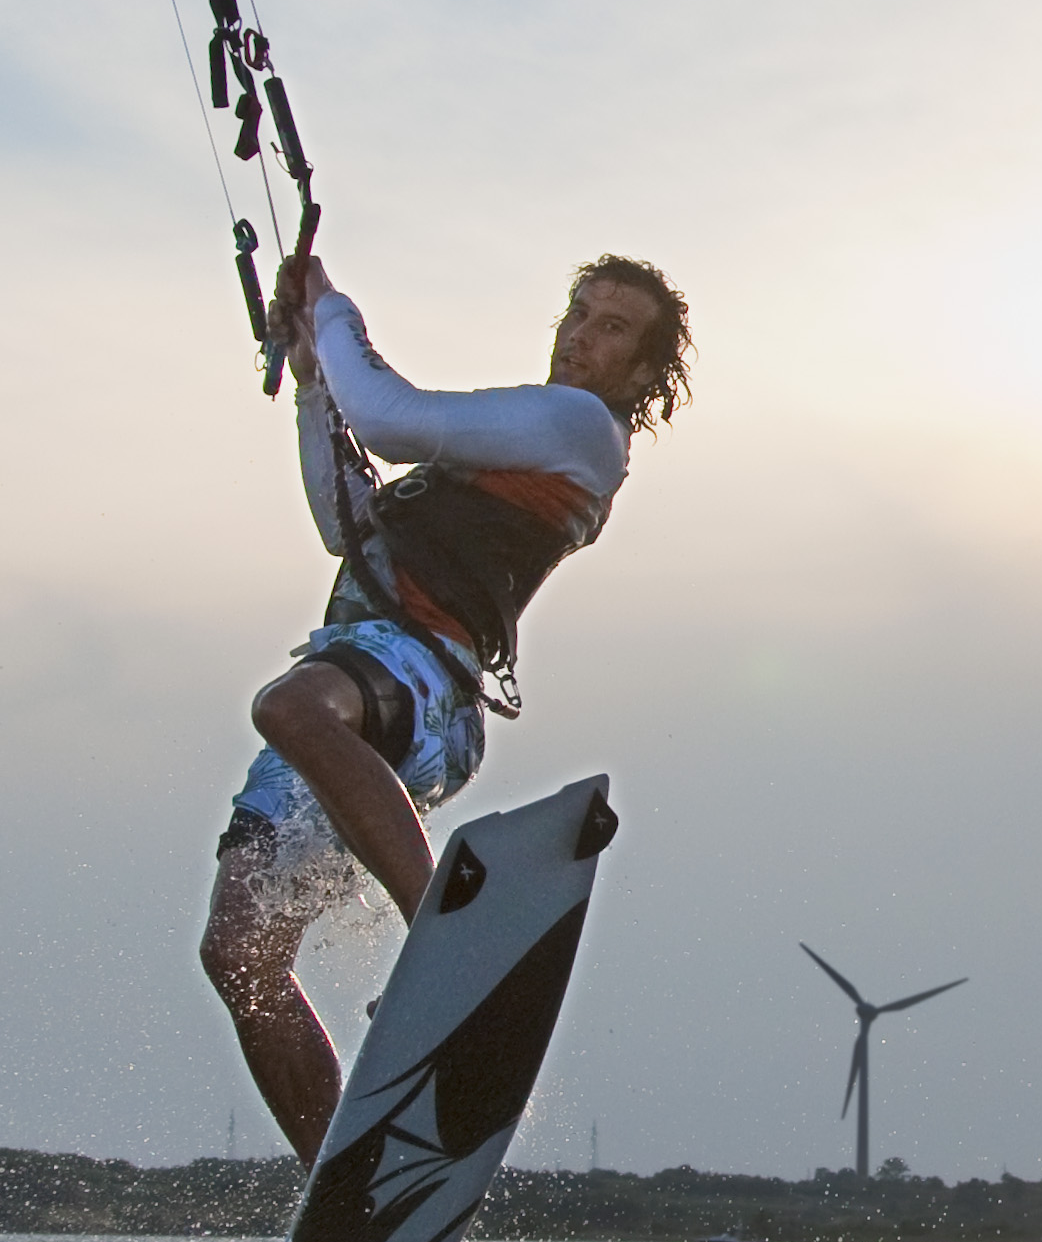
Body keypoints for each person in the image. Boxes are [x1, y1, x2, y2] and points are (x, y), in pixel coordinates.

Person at [198, 244, 691, 1156]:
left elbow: (387, 417)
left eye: (611, 326)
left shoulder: (580, 430)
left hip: (424, 686)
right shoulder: (494, 452)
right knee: (238, 954)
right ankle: (343, 1188)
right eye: (577, 313)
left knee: (287, 707)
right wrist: (312, 379)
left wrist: (330, 305)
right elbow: (347, 519)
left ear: (644, 370)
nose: (581, 335)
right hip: (357, 682)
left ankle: (448, 942)